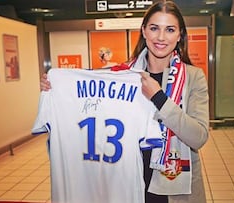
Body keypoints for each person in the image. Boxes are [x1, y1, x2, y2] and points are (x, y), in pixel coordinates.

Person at [40, 1, 209, 203]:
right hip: (127, 180)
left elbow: (198, 137)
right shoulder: (122, 75)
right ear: (144, 31)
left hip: (173, 186)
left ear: (180, 35)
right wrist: (56, 87)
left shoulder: (193, 77)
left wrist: (160, 98)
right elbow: (86, 100)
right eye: (154, 28)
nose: (161, 37)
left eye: (170, 29)